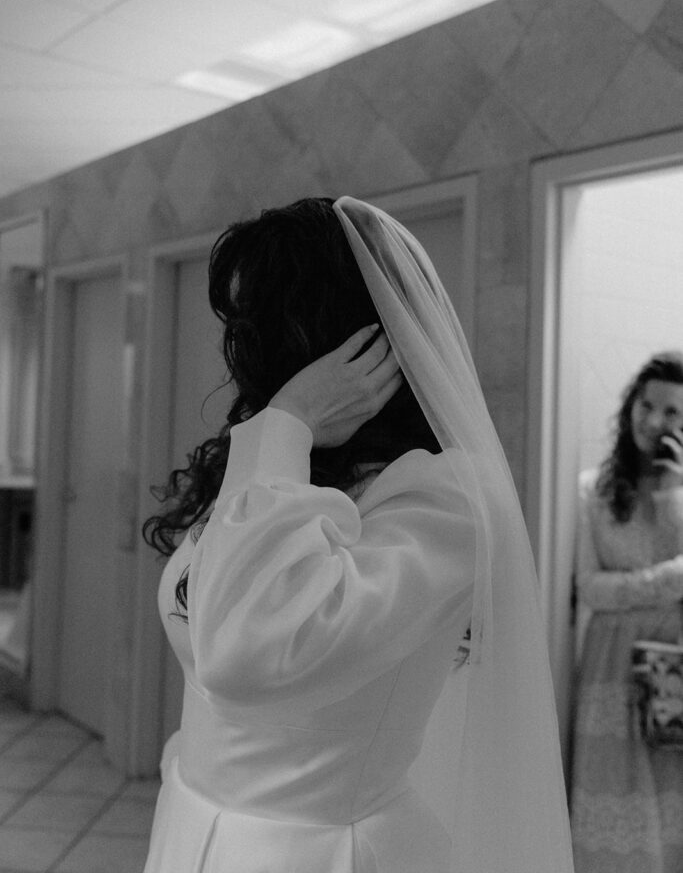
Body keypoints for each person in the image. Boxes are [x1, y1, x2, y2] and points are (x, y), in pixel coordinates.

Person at [142, 196, 574, 873]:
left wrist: (288, 418)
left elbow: (245, 657)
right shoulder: (278, 462)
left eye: (261, 322)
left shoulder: (444, 499)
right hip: (191, 820)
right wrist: (287, 433)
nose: (245, 354)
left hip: (318, 854)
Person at [571, 352, 683, 873]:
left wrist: (674, 495)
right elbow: (590, 588)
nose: (656, 420)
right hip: (608, 666)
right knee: (611, 789)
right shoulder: (593, 487)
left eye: (674, 412)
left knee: (669, 796)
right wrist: (664, 582)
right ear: (631, 406)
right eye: (647, 403)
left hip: (674, 663)